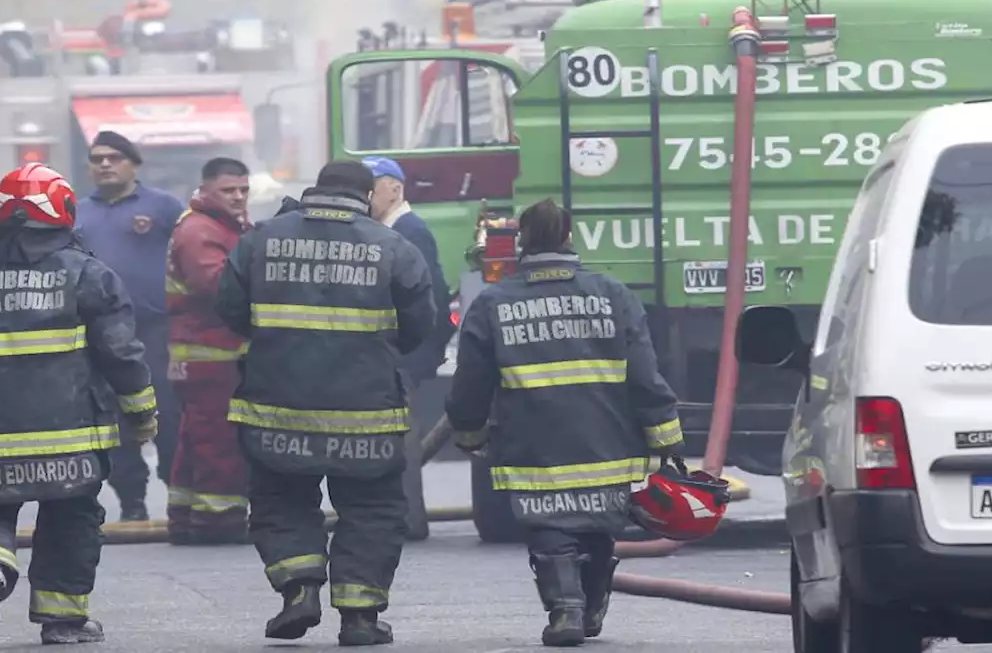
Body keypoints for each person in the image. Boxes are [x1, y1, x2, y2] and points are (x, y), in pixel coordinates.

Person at [0, 163, 158, 648]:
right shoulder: (88, 274)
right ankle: (62, 620)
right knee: (70, 518)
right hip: (69, 439)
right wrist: (142, 412)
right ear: (63, 211)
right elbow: (121, 354)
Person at [445, 199, 684, 647]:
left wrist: (470, 434)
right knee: (597, 529)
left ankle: (565, 611)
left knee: (550, 528)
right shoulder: (614, 294)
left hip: (534, 449)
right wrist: (666, 438)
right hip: (607, 446)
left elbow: (470, 382)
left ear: (522, 243)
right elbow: (645, 375)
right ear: (569, 239)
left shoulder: (495, 302)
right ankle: (589, 608)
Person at [217, 160, 435, 646]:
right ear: (366, 195)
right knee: (372, 508)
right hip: (367, 411)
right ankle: (360, 618)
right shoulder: (393, 247)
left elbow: (230, 309)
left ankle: (298, 590)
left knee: (281, 498)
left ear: (316, 189)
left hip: (276, 406)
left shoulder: (261, 239)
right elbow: (420, 326)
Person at [75, 130, 185, 521]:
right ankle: (131, 501)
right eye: (97, 158)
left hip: (156, 332)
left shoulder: (164, 207)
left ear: (134, 164)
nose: (105, 164)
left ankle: (177, 493)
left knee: (168, 415)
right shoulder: (78, 214)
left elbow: (187, 257)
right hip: (100, 337)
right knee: (115, 423)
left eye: (114, 158)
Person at [363, 156, 456, 542]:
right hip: (400, 357)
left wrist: (416, 359)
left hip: (405, 358)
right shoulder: (389, 229)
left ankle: (408, 520)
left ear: (395, 188)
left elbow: (429, 297)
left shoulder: (409, 231)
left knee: (400, 441)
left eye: (370, 187)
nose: (364, 197)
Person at [165, 157, 252, 545]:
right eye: (229, 190)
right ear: (207, 190)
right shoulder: (201, 230)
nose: (238, 197)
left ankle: (186, 516)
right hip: (211, 355)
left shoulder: (218, 226)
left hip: (205, 355)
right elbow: (217, 287)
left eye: (243, 190)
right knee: (220, 440)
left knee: (197, 438)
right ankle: (219, 522)